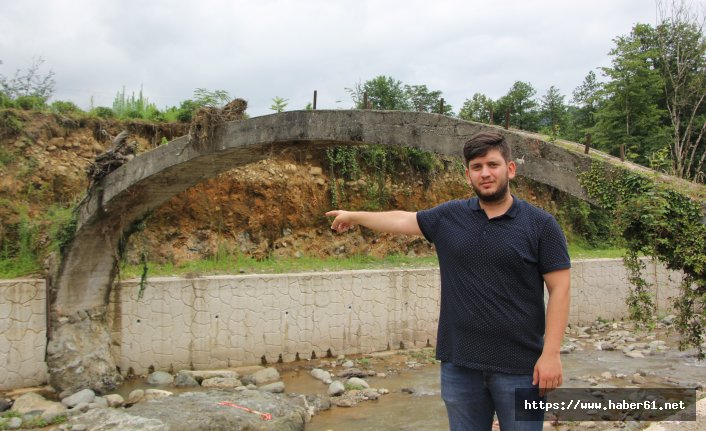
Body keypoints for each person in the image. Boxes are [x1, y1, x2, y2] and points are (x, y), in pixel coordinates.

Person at [326, 131, 571, 431]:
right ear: (467, 174)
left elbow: (560, 288)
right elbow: (404, 219)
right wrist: (356, 215)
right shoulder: (450, 217)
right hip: (460, 365)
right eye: (477, 167)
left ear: (510, 169)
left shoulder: (541, 225)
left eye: (492, 165)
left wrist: (551, 354)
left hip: (521, 367)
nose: (485, 173)